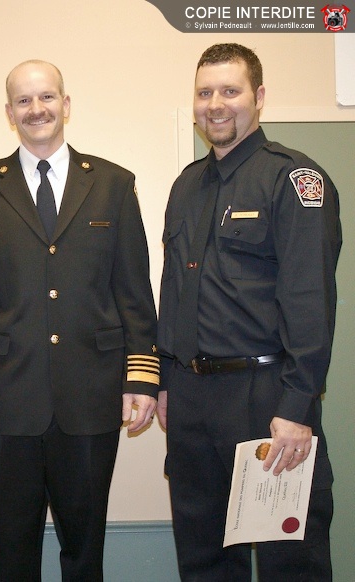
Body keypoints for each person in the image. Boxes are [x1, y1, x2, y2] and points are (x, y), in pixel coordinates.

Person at [0, 60, 160, 581]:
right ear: (9, 112)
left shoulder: (114, 184)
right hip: (4, 399)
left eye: (46, 97)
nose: (36, 109)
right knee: (12, 550)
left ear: (66, 104)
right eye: (23, 100)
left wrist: (140, 377)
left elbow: (134, 291)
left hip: (91, 395)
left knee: (85, 551)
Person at [156, 43, 340, 581]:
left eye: (230, 91)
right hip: (191, 400)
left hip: (266, 398)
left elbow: (310, 300)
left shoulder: (292, 180)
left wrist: (298, 406)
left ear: (258, 97)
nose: (215, 104)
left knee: (289, 563)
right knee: (204, 560)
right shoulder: (186, 186)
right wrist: (166, 381)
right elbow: (174, 292)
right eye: (204, 92)